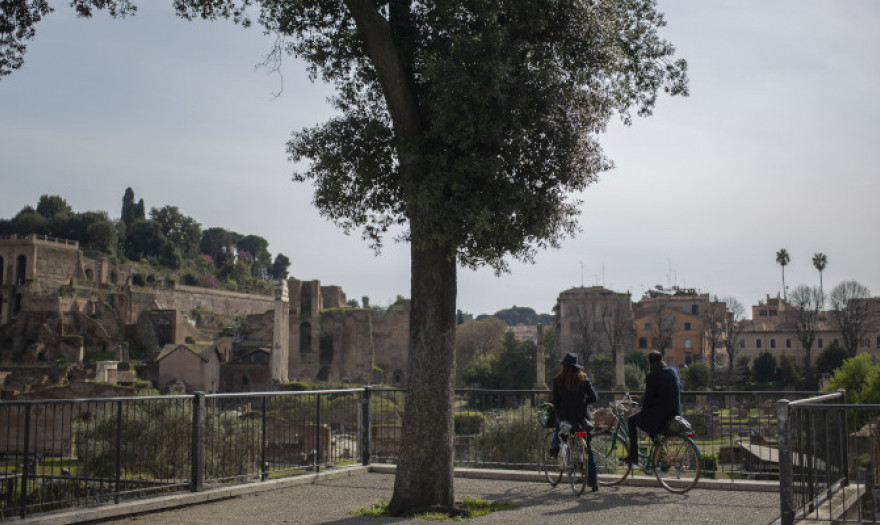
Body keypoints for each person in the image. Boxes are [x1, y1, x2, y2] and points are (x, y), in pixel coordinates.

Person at [550, 352, 599, 491]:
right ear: (577, 367)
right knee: (588, 450)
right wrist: (583, 402)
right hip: (580, 421)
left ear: (564, 366)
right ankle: (593, 482)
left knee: (560, 426)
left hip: (566, 421)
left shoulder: (558, 380)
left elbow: (555, 402)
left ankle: (555, 447)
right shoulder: (583, 379)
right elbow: (594, 397)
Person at [625, 350, 682, 464]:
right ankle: (661, 455)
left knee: (632, 421)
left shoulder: (653, 376)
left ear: (650, 363)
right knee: (649, 425)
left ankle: (633, 455)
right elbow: (679, 387)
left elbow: (649, 399)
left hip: (662, 416)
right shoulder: (673, 371)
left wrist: (642, 410)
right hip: (675, 412)